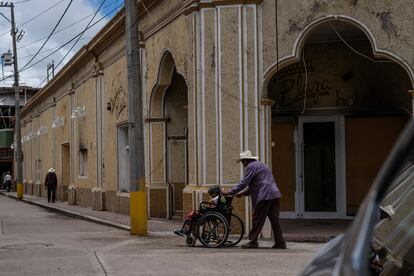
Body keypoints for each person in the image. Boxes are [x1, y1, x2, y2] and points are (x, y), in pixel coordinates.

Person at [223, 150, 286, 249]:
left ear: (246, 160)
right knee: (274, 220)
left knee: (257, 218)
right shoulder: (261, 165)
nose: (243, 164)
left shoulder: (251, 166)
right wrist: (242, 193)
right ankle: (280, 243)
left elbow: (244, 182)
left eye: (243, 162)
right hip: (274, 193)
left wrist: (231, 192)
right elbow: (256, 184)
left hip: (264, 195)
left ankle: (253, 241)